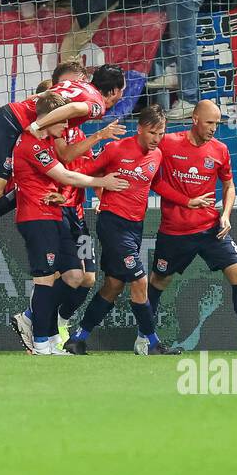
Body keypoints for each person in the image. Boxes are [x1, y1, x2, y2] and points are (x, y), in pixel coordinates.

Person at [0, 62, 125, 283]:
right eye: (121, 91)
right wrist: (39, 125)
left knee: (16, 184)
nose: (121, 96)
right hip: (13, 124)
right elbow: (74, 109)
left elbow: (47, 96)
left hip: (12, 118)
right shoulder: (96, 103)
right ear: (113, 90)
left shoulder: (78, 84)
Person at [149, 101, 237, 355]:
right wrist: (186, 201)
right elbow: (154, 181)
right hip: (175, 230)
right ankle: (145, 337)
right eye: (210, 123)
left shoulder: (220, 150)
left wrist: (226, 214)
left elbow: (229, 186)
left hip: (211, 228)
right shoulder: (168, 143)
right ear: (195, 119)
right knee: (159, 280)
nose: (213, 129)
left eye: (217, 124)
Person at [64, 106, 196, 355]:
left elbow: (156, 184)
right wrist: (77, 188)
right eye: (152, 133)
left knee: (113, 286)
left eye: (161, 134)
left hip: (135, 227)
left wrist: (186, 201)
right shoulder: (116, 149)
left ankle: (77, 338)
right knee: (139, 279)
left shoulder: (157, 155)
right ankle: (152, 343)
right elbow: (86, 173)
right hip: (112, 223)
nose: (156, 139)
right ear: (140, 129)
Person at [8, 92, 132, 355]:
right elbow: (65, 172)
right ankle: (44, 332)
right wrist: (101, 181)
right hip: (48, 215)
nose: (67, 126)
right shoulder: (40, 144)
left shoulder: (59, 141)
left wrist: (98, 189)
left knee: (83, 277)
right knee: (49, 278)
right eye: (64, 120)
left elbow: (84, 170)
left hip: (75, 217)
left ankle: (55, 323)